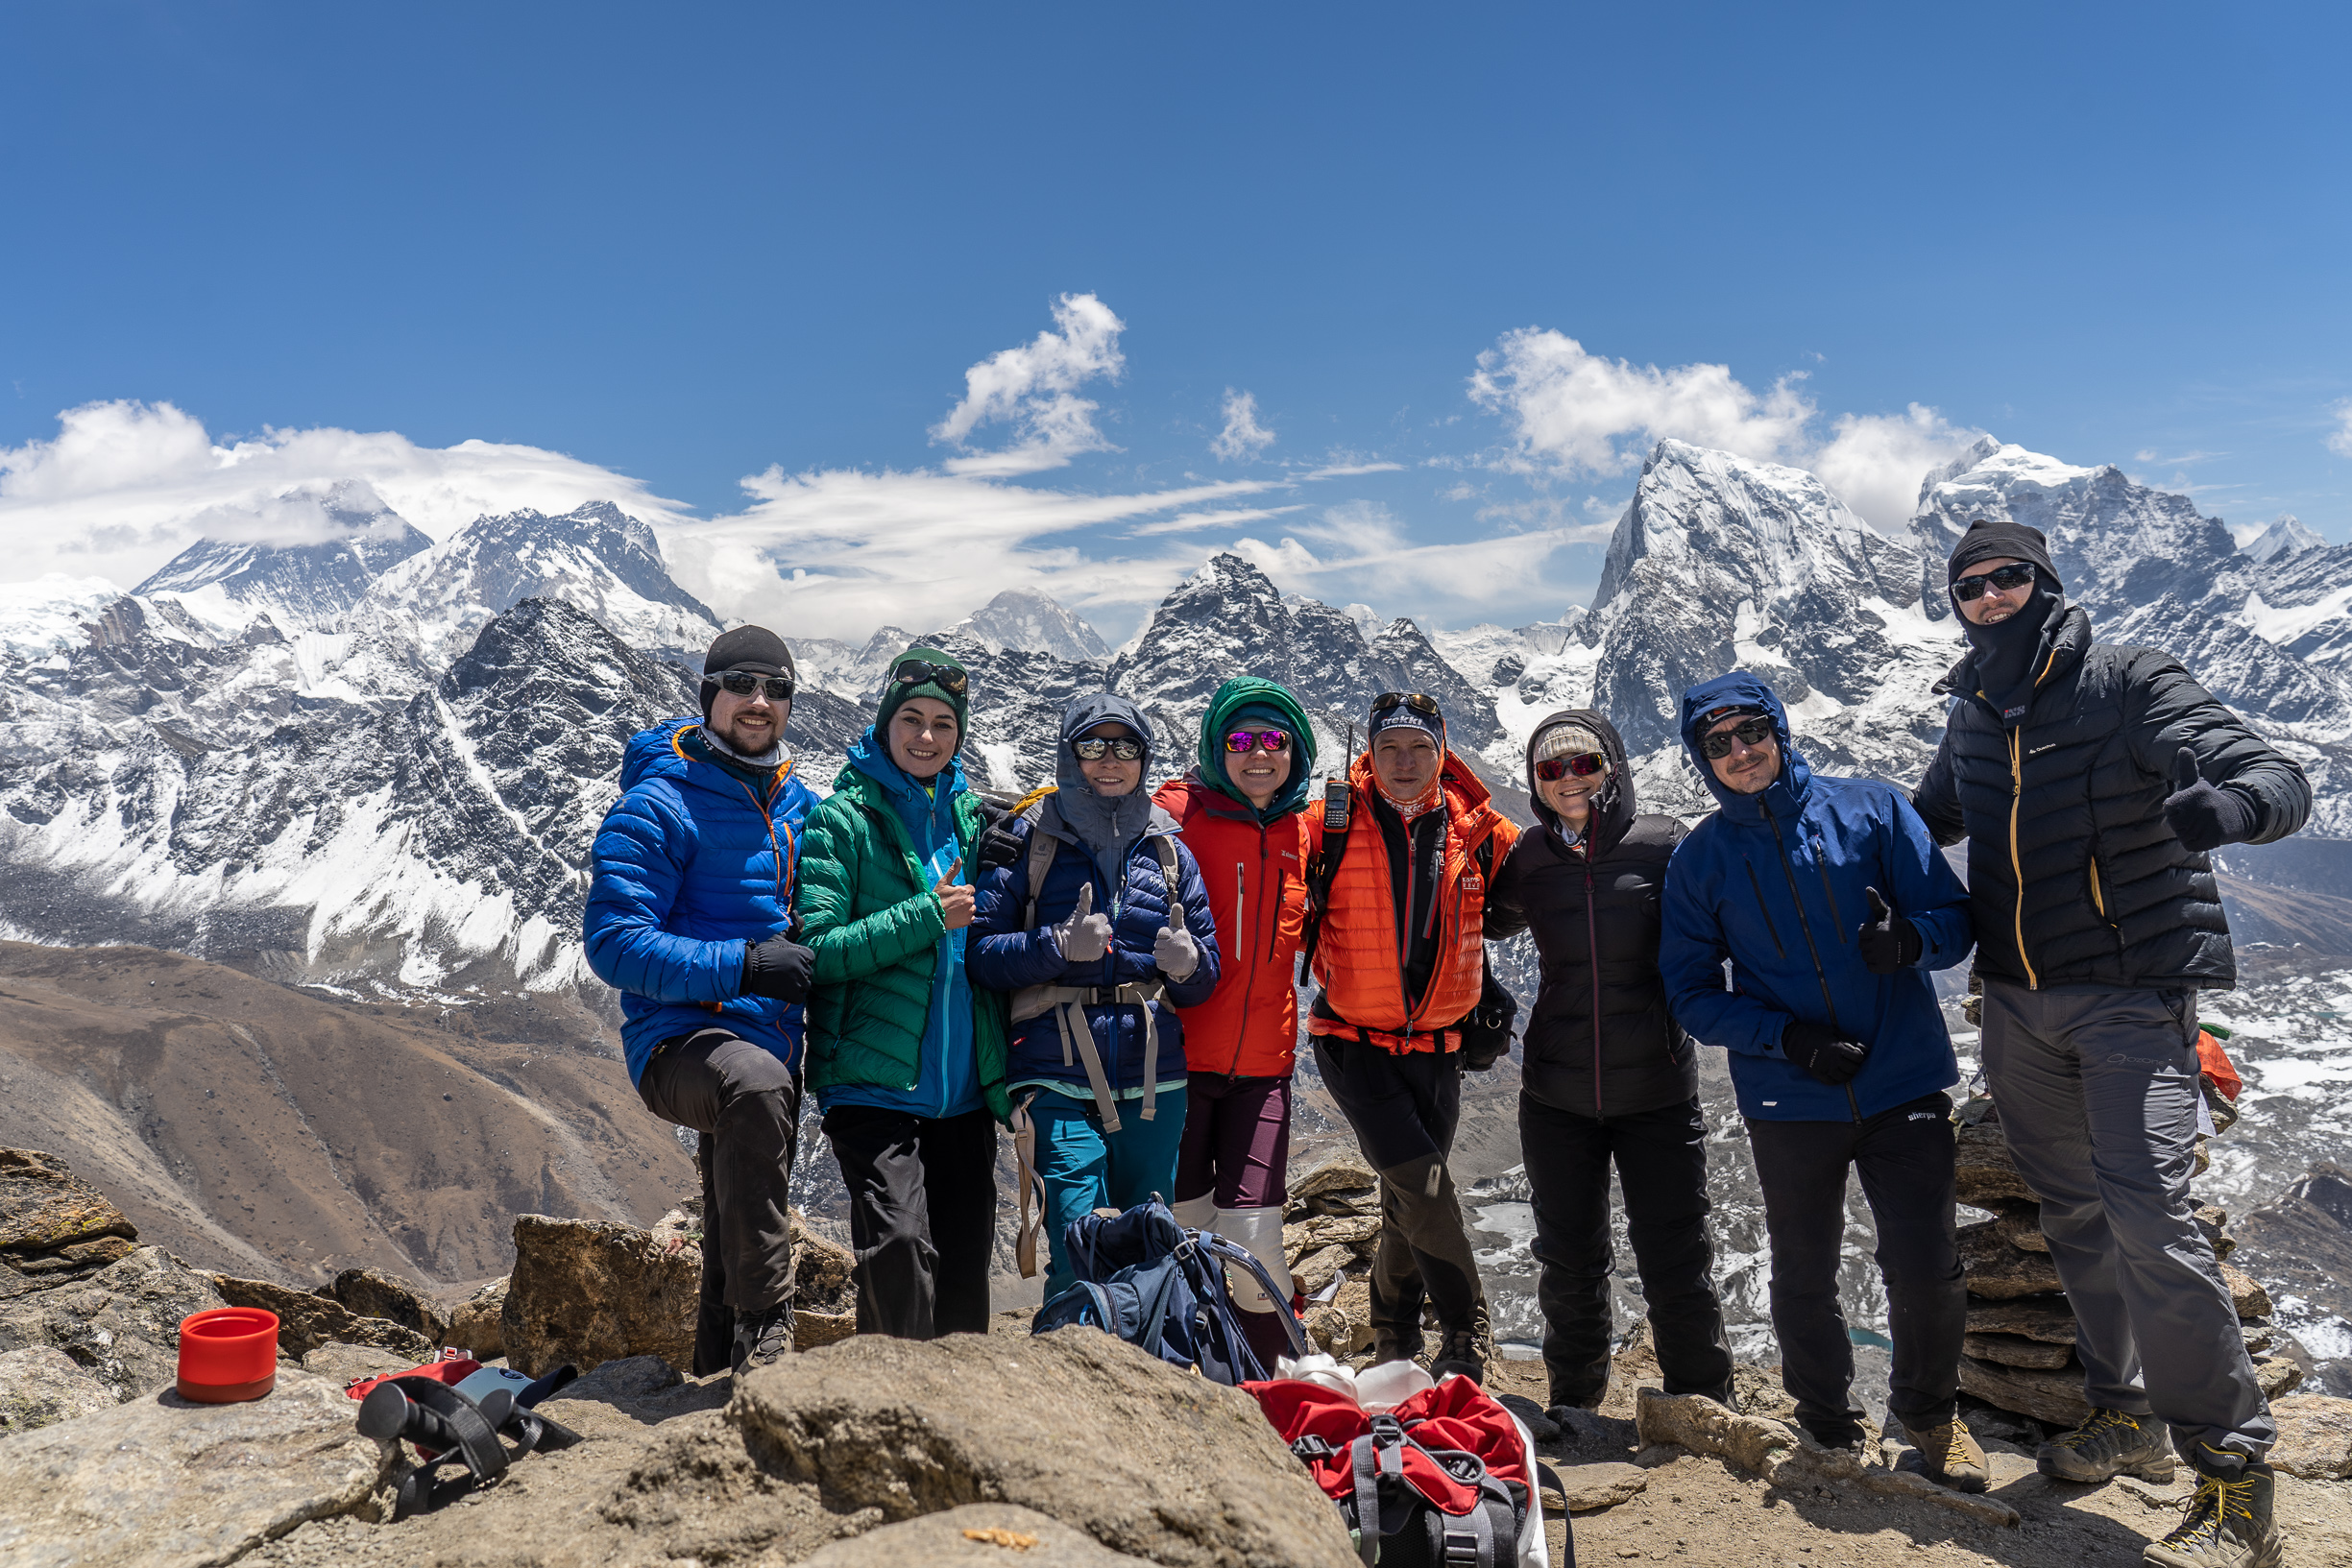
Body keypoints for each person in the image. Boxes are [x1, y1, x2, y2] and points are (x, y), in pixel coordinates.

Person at [1912, 519, 2312, 1567]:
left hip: (2132, 999)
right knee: (2073, 1214)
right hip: (2015, 1005)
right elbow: (1926, 822)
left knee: (2148, 1215)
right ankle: (2121, 1411)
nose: (1989, 598)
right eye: (1969, 587)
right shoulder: (1967, 707)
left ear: (2043, 583)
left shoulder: (2127, 678)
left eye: (2007, 580)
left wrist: (2228, 807)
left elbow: (2273, 774)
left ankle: (2233, 1478)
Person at [1658, 672, 1985, 1490]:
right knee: (1802, 1267)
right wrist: (1784, 1038)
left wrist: (1908, 941)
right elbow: (1690, 992)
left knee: (1922, 1261)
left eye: (1750, 733)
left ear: (1778, 729)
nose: (1740, 752)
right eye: (1719, 743)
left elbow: (1954, 918)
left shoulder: (1871, 809)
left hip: (1901, 1080)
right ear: (1702, 758)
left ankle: (1930, 1420)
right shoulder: (1700, 859)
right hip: (1789, 1092)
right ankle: (1825, 1423)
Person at [583, 625, 820, 1375]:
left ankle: (718, 1365)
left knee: (730, 1211)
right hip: (677, 1043)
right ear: (708, 695)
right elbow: (614, 943)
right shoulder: (656, 806)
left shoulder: (801, 807)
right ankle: (767, 1324)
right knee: (753, 1087)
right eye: (743, 684)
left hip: (770, 1044)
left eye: (776, 689)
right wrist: (743, 965)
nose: (759, 701)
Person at [1484, 709, 1734, 1415]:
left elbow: (1724, 915)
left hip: (1655, 1086)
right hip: (1556, 1093)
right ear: (1534, 781)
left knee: (1676, 1258)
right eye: (1550, 768)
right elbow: (1475, 917)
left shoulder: (1661, 843)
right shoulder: (1529, 857)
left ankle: (1703, 1408)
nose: (1569, 778)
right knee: (1567, 1260)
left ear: (1611, 764)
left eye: (1582, 763)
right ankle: (1573, 1405)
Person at [969, 693, 1222, 1300]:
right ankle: (1073, 1373)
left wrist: (1186, 967)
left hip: (1154, 1081)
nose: (1110, 760)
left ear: (1144, 758)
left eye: (1126, 747)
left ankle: (1140, 1374)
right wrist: (1057, 945)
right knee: (1077, 1233)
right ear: (1068, 753)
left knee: (1151, 1240)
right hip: (1055, 1075)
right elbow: (980, 954)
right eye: (1092, 745)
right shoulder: (1028, 842)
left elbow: (1206, 973)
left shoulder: (1170, 850)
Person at [795, 647, 1010, 1340]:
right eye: (911, 719)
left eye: (943, 723)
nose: (926, 737)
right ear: (885, 724)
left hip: (964, 1094)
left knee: (962, 1272)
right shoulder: (841, 820)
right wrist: (924, 915)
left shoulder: (973, 820)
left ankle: (956, 1427)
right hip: (872, 1084)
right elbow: (819, 951)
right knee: (896, 1249)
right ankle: (890, 1411)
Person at [1305, 690, 1516, 1385]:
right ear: (1369, 749)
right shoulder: (1328, 823)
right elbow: (1256, 840)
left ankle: (1393, 1335)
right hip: (1352, 1044)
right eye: (1388, 746)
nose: (1402, 761)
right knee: (1424, 1187)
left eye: (1418, 747)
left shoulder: (1480, 830)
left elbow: (1559, 869)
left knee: (1406, 1198)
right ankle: (1463, 1326)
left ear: (1441, 752)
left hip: (1438, 1050)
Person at [1154, 677, 1319, 1369]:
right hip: (1177, 1062)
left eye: (1274, 740)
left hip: (1262, 1071)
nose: (1258, 754)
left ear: (1296, 751)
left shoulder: (1302, 828)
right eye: (1241, 739)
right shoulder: (1173, 811)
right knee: (1185, 1230)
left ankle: (1268, 1380)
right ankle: (1187, 1368)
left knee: (1255, 1235)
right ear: (1215, 747)